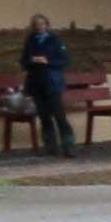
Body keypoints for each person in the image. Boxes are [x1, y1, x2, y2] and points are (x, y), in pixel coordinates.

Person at [21, 12, 76, 158]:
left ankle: (69, 146)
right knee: (44, 116)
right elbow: (23, 61)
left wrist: (47, 61)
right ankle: (50, 147)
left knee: (59, 115)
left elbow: (64, 60)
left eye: (42, 24)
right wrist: (32, 60)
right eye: (36, 25)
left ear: (47, 25)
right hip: (36, 83)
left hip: (52, 82)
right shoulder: (31, 40)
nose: (39, 27)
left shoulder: (55, 40)